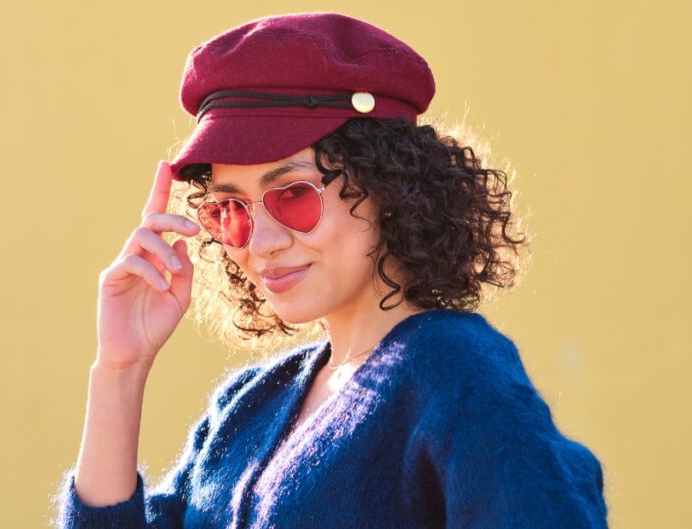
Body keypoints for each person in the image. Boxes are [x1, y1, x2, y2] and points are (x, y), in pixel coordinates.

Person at [53, 11, 609, 529]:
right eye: (231, 210)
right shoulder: (249, 402)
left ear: (388, 186)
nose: (261, 243)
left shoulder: (456, 373)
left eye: (293, 195)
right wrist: (120, 372)